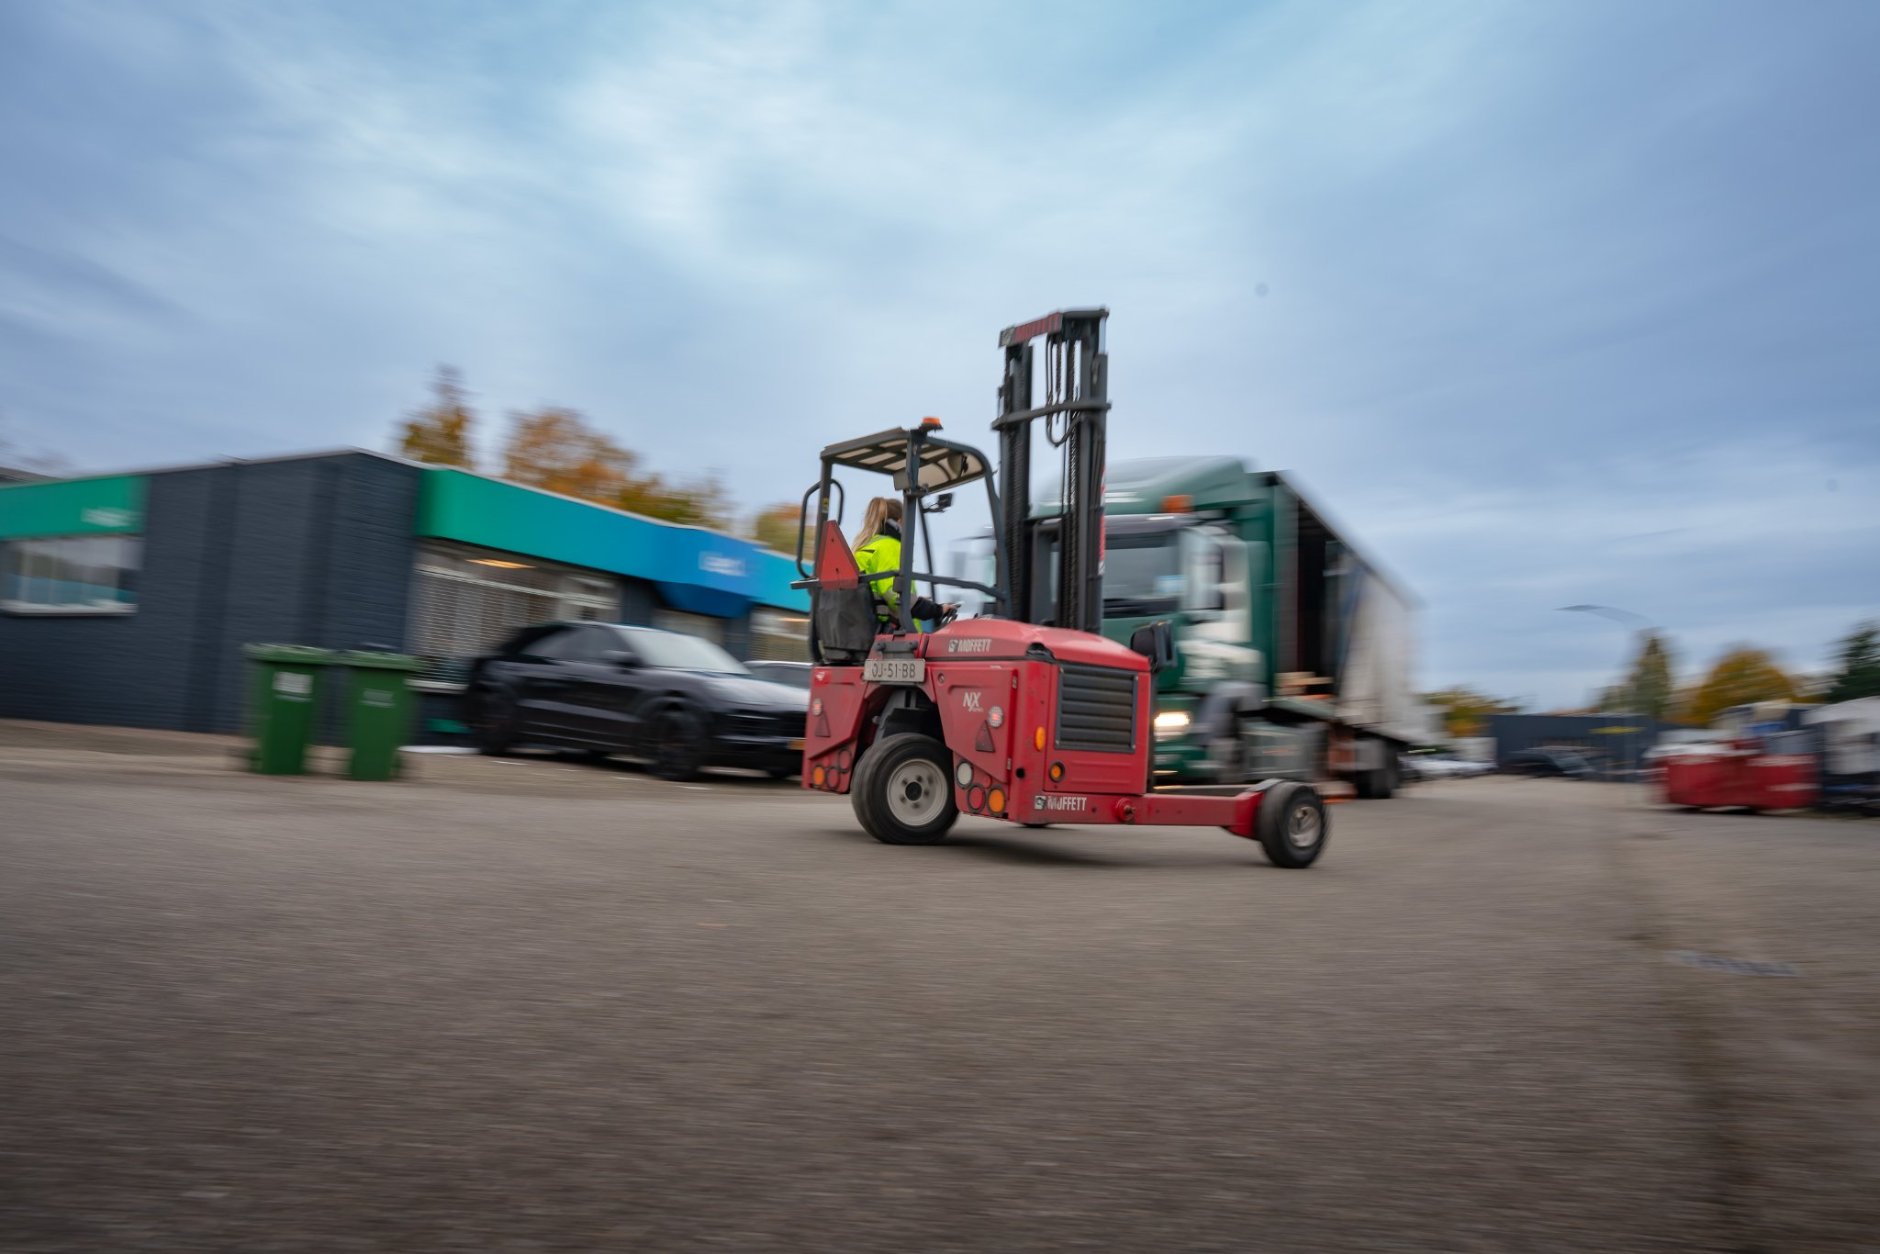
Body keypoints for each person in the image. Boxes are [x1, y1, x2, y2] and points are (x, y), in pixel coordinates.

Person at [852, 496, 955, 631]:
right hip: (893, 636)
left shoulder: (866, 547)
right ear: (900, 522)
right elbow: (895, 595)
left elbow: (879, 593)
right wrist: (938, 609)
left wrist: (918, 601)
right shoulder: (890, 546)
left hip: (868, 630)